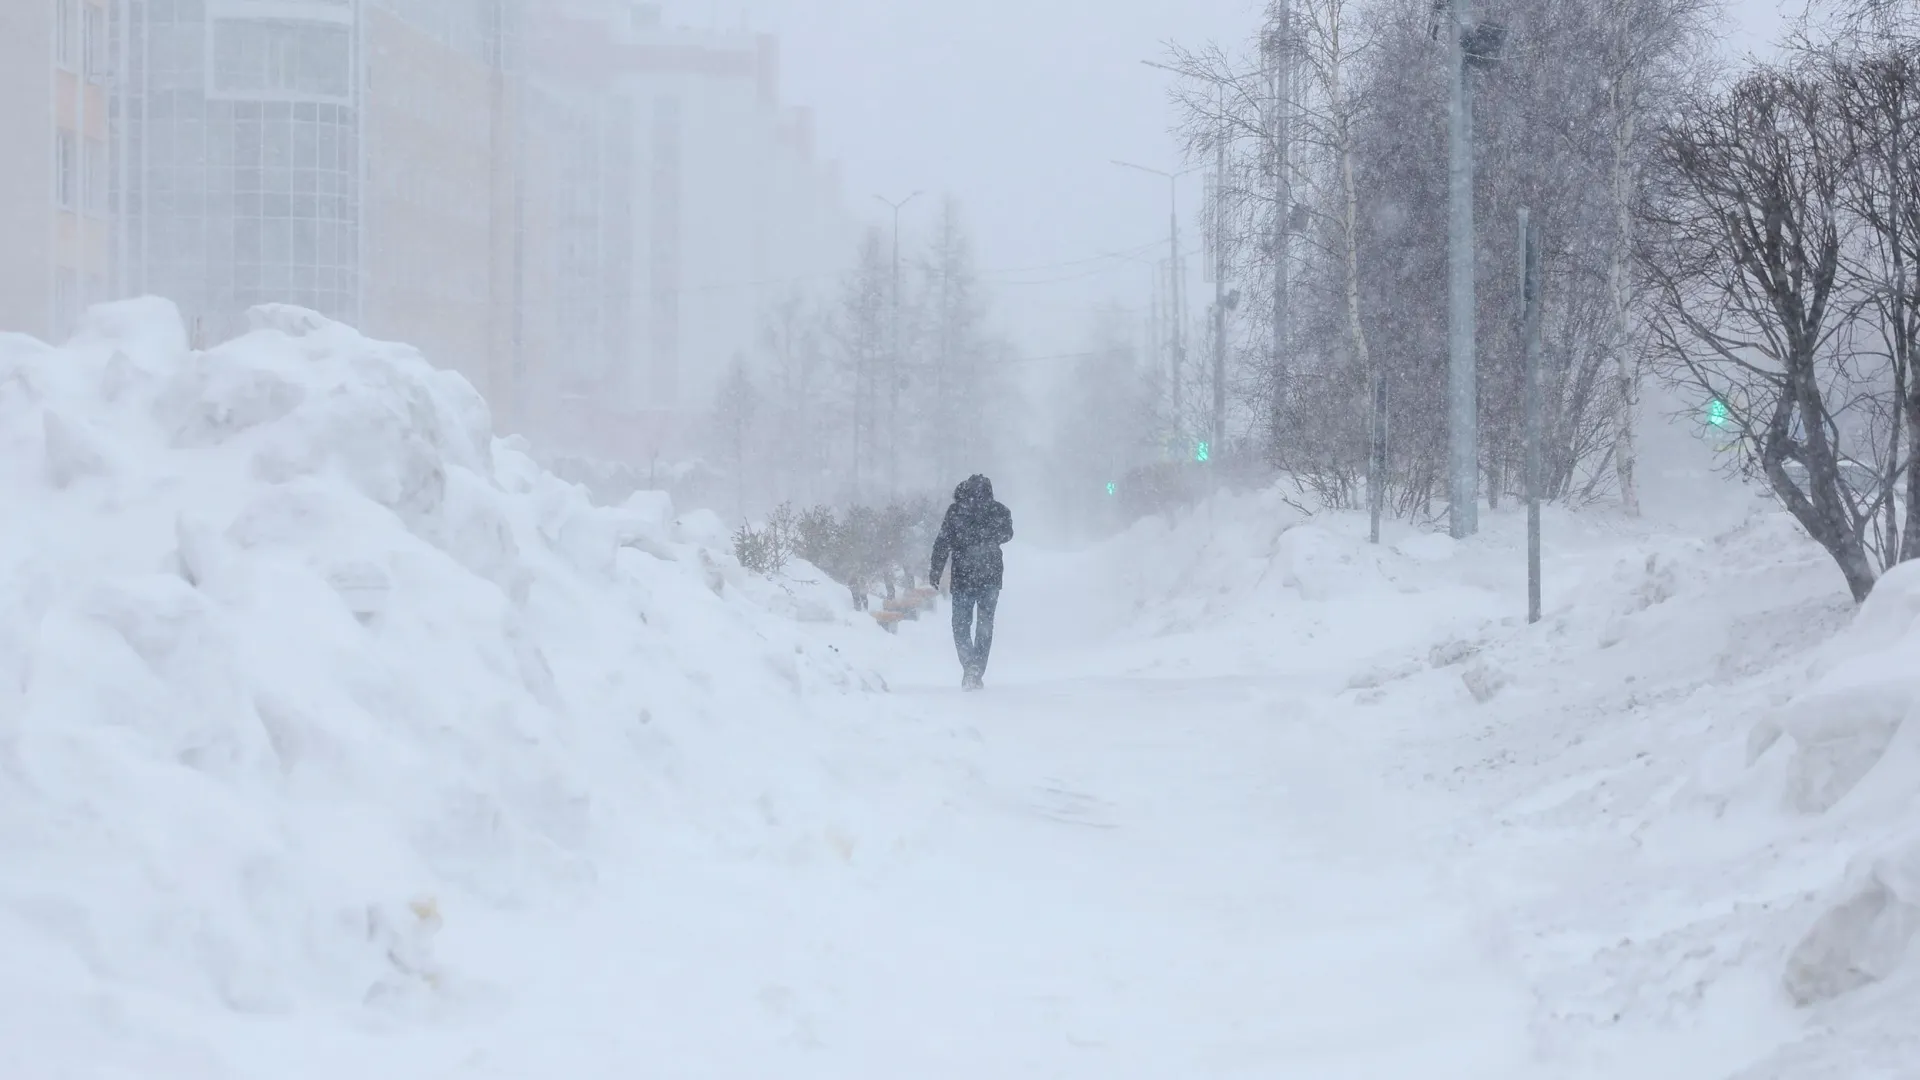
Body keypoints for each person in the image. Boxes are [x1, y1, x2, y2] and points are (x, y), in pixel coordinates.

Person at [929, 474, 1014, 690]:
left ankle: (969, 666)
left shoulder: (956, 511)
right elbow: (1007, 534)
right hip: (990, 577)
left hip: (963, 577)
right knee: (985, 626)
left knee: (960, 625)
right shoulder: (999, 511)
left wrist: (936, 569)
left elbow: (942, 542)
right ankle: (976, 669)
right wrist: (987, 538)